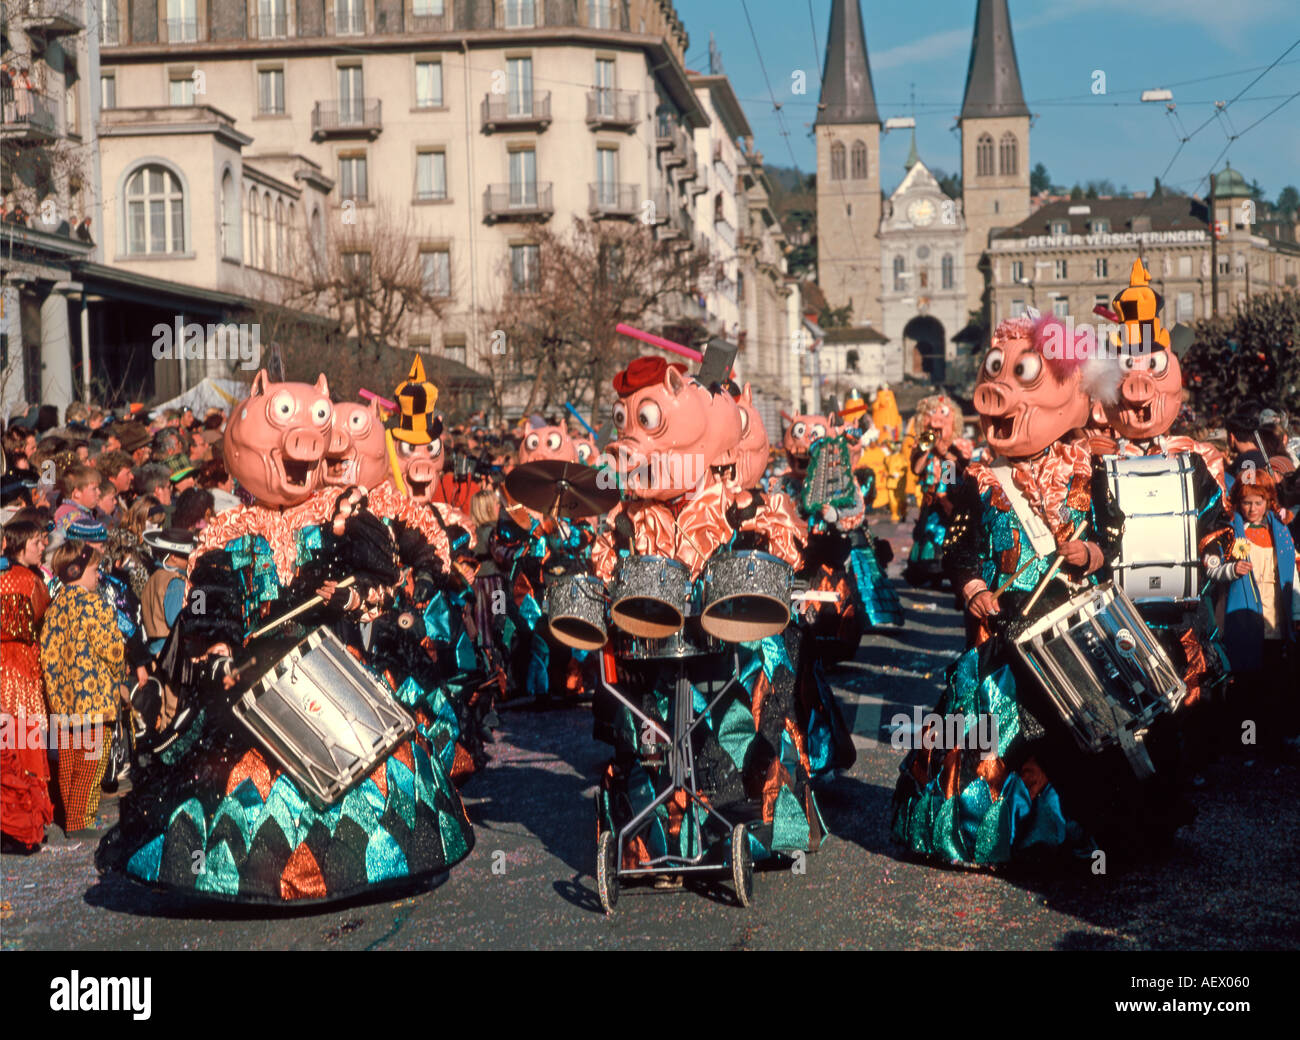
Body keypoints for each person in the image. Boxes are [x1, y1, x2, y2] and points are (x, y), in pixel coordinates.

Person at [40, 539, 127, 835]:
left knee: (68, 763)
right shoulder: (93, 604)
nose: (98, 575)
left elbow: (47, 654)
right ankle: (80, 820)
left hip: (63, 702)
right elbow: (112, 648)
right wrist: (118, 674)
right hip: (94, 700)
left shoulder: (54, 608)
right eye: (94, 569)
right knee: (92, 761)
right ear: (77, 570)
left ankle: (70, 816)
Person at [1217, 471, 1298, 756]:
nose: (1252, 509)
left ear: (1268, 501)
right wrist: (1230, 570)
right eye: (1246, 502)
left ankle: (1273, 741)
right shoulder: (1230, 532)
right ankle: (1247, 743)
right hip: (1244, 616)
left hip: (1274, 617)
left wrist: (1296, 614)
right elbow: (1213, 569)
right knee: (1248, 683)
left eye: (1258, 502)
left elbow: (1291, 575)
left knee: (1274, 681)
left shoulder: (1280, 532)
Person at [0, 519, 54, 853]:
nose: (43, 546)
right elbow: (26, 626)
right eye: (37, 541)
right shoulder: (28, 582)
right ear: (22, 545)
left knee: (8, 748)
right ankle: (21, 830)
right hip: (20, 672)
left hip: (3, 670)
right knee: (25, 747)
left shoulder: (4, 580)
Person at [140, 528, 194, 655]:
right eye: (186, 557)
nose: (189, 560)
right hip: (169, 651)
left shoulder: (154, 577)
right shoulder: (176, 581)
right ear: (173, 557)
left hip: (153, 647)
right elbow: (175, 620)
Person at [50, 464, 102, 544]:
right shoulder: (73, 516)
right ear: (77, 493)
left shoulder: (82, 512)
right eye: (94, 489)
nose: (99, 492)